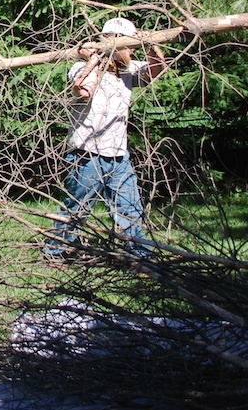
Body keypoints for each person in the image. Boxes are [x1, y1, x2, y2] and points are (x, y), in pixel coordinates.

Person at [45, 17, 167, 259]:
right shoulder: (81, 67)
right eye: (128, 44)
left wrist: (152, 44)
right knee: (76, 208)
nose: (132, 50)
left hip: (118, 155)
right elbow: (83, 90)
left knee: (130, 208)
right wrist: (93, 60)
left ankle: (140, 256)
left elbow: (157, 70)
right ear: (112, 42)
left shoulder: (129, 70)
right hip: (87, 153)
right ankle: (55, 252)